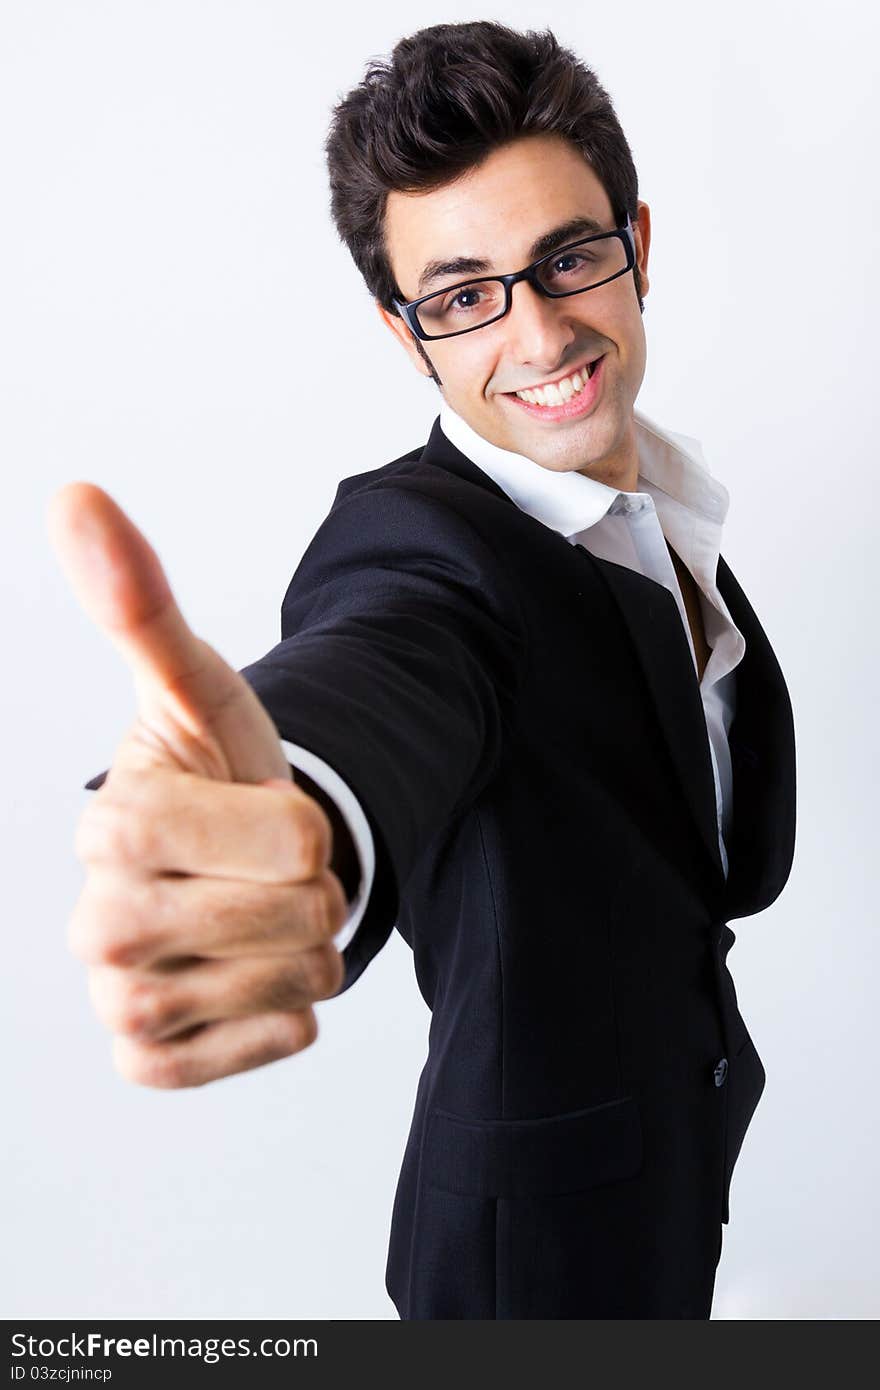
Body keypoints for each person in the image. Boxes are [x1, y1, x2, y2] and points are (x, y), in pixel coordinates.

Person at [50, 21, 796, 1319]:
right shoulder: (419, 545)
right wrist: (294, 800)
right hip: (528, 1263)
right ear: (409, 338)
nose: (540, 330)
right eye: (461, 295)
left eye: (568, 257)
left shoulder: (664, 505)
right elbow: (387, 663)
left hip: (670, 1170)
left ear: (639, 250)